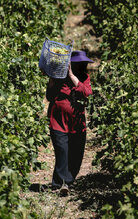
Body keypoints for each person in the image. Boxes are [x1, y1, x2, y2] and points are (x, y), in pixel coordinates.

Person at [45, 50, 93, 195]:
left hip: (76, 122)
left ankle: (69, 180)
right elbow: (49, 96)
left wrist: (72, 76)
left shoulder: (84, 78)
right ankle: (60, 183)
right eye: (77, 64)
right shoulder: (59, 77)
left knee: (76, 152)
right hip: (58, 120)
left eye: (82, 64)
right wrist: (52, 80)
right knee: (62, 151)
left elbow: (86, 92)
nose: (80, 66)